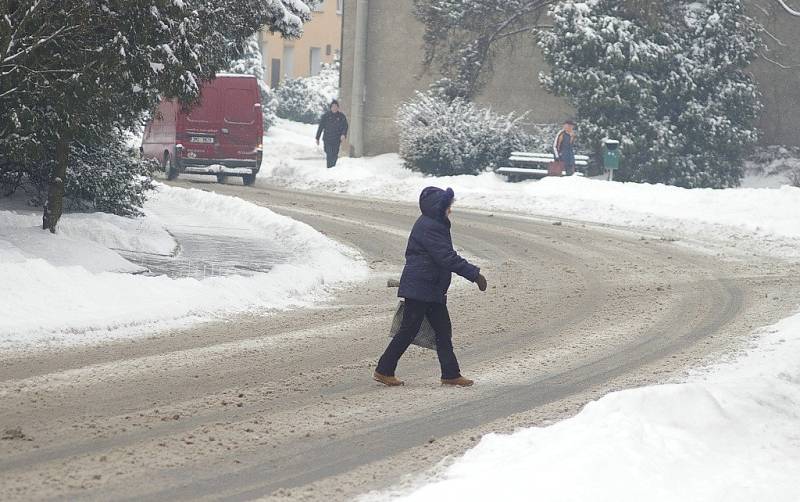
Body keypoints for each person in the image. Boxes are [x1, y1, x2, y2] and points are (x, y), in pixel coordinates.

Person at [374, 186, 488, 388]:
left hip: (430, 287)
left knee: (442, 331)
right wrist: (474, 274)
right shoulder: (431, 226)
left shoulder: (433, 223)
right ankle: (384, 370)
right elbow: (446, 257)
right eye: (448, 206)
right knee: (409, 330)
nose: (450, 210)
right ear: (438, 207)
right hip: (421, 287)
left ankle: (450, 374)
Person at [315, 100, 349, 168]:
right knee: (329, 154)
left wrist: (343, 134)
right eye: (333, 107)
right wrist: (317, 138)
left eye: (336, 106)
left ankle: (332, 168)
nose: (334, 108)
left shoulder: (341, 116)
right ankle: (329, 168)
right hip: (327, 139)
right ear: (331, 108)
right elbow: (321, 127)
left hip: (336, 140)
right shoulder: (326, 116)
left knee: (335, 155)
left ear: (338, 107)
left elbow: (345, 126)